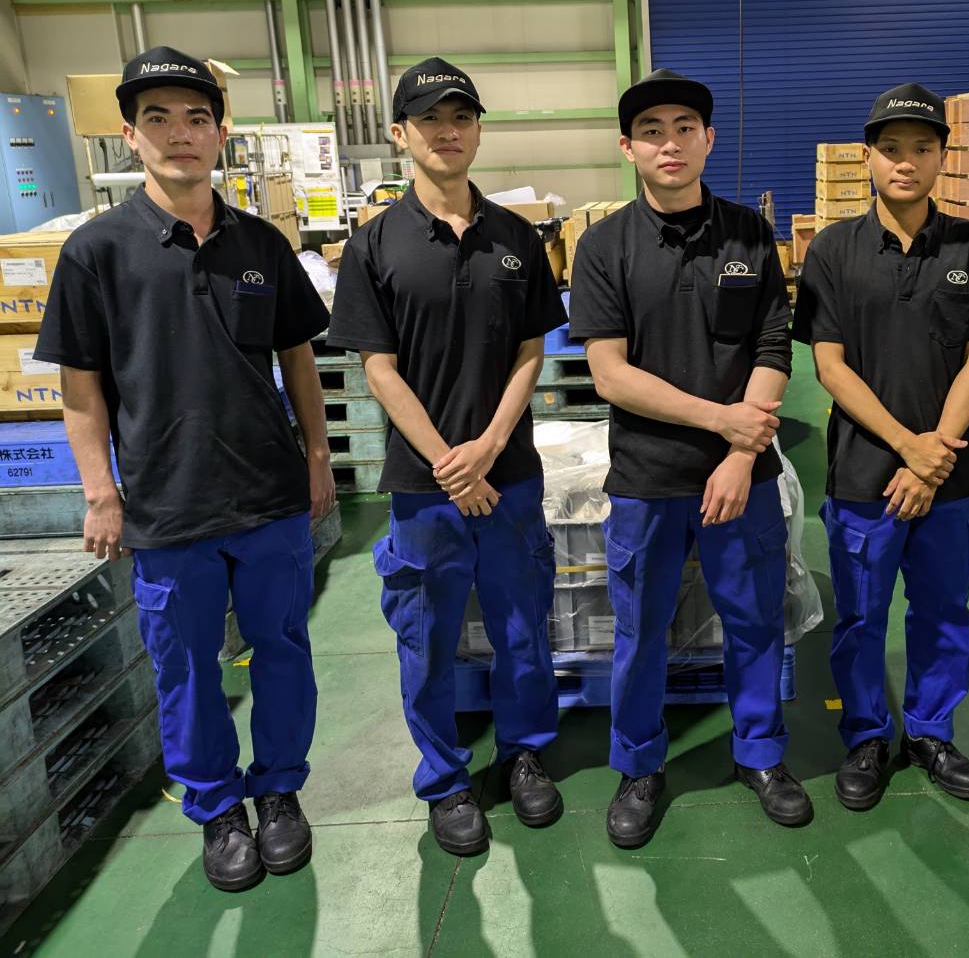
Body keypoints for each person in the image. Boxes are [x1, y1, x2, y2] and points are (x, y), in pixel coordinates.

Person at [35, 46, 333, 891]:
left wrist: (317, 455)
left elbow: (298, 356)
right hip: (167, 505)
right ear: (129, 136)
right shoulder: (96, 251)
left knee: (282, 648)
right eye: (158, 118)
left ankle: (279, 789)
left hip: (269, 494)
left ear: (220, 134)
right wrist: (101, 491)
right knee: (188, 665)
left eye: (196, 117)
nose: (180, 133)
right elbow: (81, 387)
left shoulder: (261, 243)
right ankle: (217, 807)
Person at [328, 59, 567, 855]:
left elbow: (531, 350)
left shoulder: (516, 238)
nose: (448, 130)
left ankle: (526, 752)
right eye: (430, 118)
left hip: (510, 476)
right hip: (424, 486)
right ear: (401, 134)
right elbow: (378, 367)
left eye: (461, 116)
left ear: (477, 130)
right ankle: (444, 778)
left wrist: (489, 446)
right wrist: (447, 462)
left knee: (521, 624)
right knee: (426, 635)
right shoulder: (374, 245)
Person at [568, 69, 809, 849]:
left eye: (683, 128)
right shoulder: (603, 246)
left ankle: (759, 752)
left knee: (752, 618)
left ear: (707, 139)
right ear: (627, 147)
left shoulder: (747, 235)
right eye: (651, 131)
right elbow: (610, 374)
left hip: (743, 474)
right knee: (639, 628)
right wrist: (723, 422)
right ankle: (639, 764)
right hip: (647, 477)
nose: (668, 144)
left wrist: (740, 452)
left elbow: (772, 347)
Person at [794, 83, 969, 810]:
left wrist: (935, 453)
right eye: (890, 149)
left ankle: (929, 732)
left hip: (947, 477)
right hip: (864, 473)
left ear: (941, 157)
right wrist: (905, 447)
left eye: (922, 148)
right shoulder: (833, 251)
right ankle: (866, 735)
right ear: (868, 157)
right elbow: (830, 367)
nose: (905, 162)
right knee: (862, 616)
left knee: (943, 611)